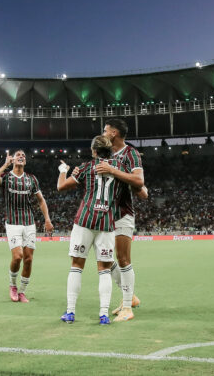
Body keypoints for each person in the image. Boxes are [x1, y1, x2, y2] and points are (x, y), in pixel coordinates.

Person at [57, 135, 147, 325]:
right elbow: (142, 191)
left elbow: (61, 186)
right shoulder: (121, 169)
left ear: (94, 151)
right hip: (107, 223)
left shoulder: (86, 167)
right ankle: (104, 315)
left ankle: (71, 312)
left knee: (76, 266)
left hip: (84, 220)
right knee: (104, 269)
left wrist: (63, 170)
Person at [0, 149, 53, 303]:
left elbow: (41, 200)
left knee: (28, 259)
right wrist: (5, 165)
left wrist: (47, 219)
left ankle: (22, 291)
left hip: (29, 223)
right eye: (18, 155)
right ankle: (12, 285)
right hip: (12, 222)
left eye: (23, 155)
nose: (21, 156)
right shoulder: (6, 177)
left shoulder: (32, 179)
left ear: (25, 161)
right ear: (13, 160)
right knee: (18, 257)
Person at [99, 119, 148, 322]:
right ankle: (131, 297)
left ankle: (127, 307)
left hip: (122, 213)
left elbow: (139, 181)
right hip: (103, 214)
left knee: (123, 259)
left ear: (114, 133)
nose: (102, 133)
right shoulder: (105, 154)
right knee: (105, 259)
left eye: (105, 130)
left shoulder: (131, 153)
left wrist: (113, 171)